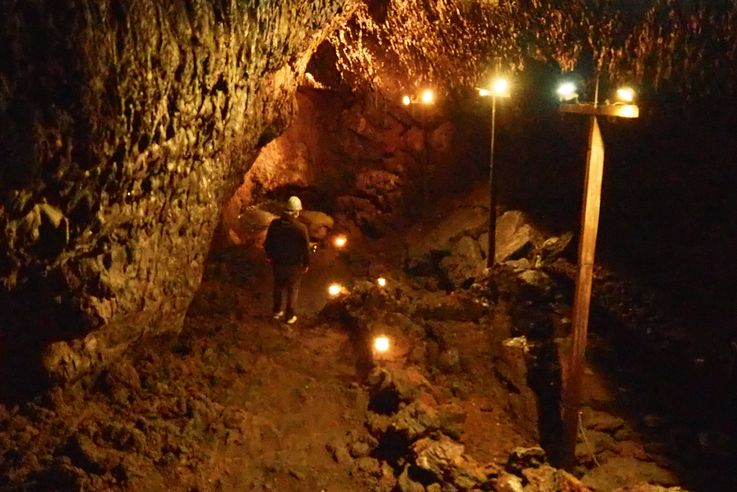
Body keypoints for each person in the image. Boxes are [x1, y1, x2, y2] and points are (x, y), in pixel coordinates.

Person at [263, 196, 310, 324]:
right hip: (294, 265)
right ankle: (289, 317)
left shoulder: (274, 224)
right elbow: (305, 248)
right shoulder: (301, 228)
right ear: (296, 212)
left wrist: (269, 256)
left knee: (278, 287)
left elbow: (267, 243)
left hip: (277, 263)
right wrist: (306, 263)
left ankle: (276, 311)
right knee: (292, 289)